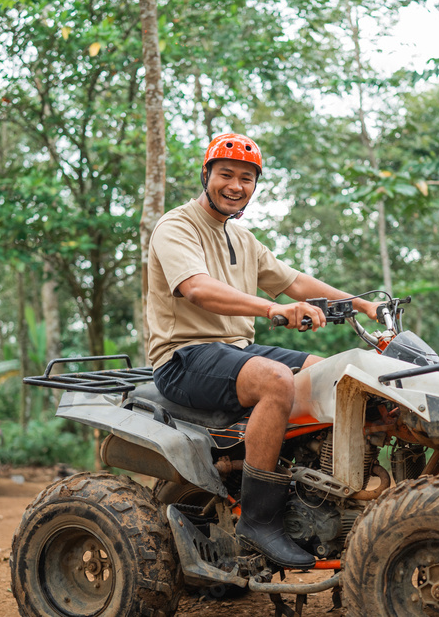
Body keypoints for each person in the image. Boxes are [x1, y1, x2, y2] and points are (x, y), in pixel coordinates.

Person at [146, 133, 377, 568]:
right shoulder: (176, 226)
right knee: (276, 380)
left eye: (246, 179)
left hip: (236, 350)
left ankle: (316, 493)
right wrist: (273, 308)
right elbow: (197, 288)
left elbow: (295, 283)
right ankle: (259, 519)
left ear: (255, 186)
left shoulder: (243, 238)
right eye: (226, 174)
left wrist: (359, 303)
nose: (235, 186)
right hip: (183, 357)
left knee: (332, 374)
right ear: (206, 175)